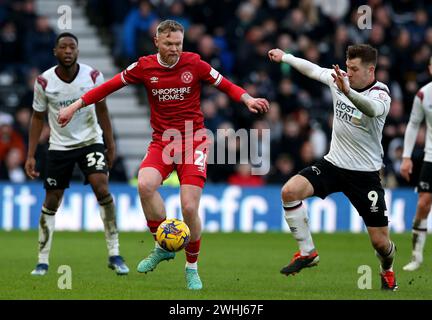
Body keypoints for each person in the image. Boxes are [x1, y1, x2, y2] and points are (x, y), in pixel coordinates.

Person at [58, 20, 269, 290]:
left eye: (178, 44)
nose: (174, 49)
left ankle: (191, 267)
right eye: (169, 44)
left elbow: (225, 84)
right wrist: (75, 106)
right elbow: (108, 86)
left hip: (194, 140)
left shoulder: (194, 63)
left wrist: (248, 99)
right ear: (157, 42)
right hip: (163, 142)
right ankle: (163, 245)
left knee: (189, 207)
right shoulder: (144, 66)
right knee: (145, 185)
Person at [268, 44, 398, 290]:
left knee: (381, 244)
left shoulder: (381, 95)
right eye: (347, 67)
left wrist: (347, 91)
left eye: (354, 69)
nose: (348, 73)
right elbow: (313, 69)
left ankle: (387, 269)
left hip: (365, 176)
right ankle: (308, 252)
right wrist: (286, 56)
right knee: (289, 192)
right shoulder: (339, 79)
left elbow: (369, 109)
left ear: (371, 70)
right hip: (333, 164)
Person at [25, 32, 129, 276]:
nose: (68, 51)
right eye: (63, 47)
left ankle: (114, 253)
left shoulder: (92, 76)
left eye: (72, 47)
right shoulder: (44, 82)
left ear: (78, 51)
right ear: (55, 52)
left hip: (90, 141)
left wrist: (110, 143)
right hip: (59, 147)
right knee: (52, 201)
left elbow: (103, 110)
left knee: (101, 187)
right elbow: (37, 117)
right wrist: (30, 155)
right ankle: (42, 260)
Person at [400, 57, 432, 272]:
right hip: (431, 156)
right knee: (423, 204)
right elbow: (413, 125)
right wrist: (406, 157)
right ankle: (417, 256)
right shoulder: (424, 94)